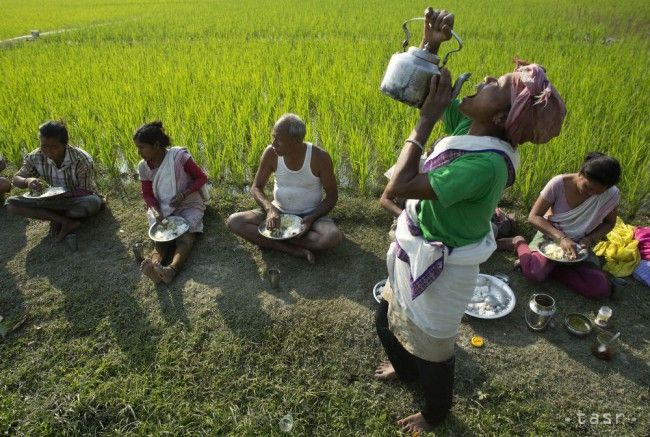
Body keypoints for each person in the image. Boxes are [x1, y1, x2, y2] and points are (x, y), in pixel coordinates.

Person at [373, 8, 567, 433]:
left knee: (434, 349)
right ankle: (403, 370)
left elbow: (402, 185)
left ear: (501, 118)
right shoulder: (472, 126)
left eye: (495, 87)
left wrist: (424, 122)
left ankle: (435, 412)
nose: (482, 81)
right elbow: (427, 91)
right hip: (415, 243)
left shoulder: (486, 165)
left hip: (441, 267)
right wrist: (432, 45)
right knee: (387, 317)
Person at [497, 152, 620, 299]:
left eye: (598, 192)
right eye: (587, 187)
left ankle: (547, 267)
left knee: (600, 289)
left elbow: (609, 223)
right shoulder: (558, 184)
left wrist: (590, 239)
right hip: (551, 235)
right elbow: (534, 217)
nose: (591, 194)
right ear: (581, 173)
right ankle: (518, 242)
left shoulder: (611, 195)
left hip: (579, 245)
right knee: (533, 274)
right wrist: (561, 238)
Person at [226, 113, 343, 264]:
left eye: (279, 140)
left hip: (311, 216)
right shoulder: (271, 153)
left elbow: (332, 195)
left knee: (332, 236)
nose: (273, 143)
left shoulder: (319, 157)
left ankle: (278, 239)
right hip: (278, 213)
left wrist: (311, 218)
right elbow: (256, 187)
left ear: (296, 141)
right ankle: (294, 249)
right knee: (235, 221)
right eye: (273, 137)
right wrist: (269, 210)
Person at [134, 121, 209, 284]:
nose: (138, 152)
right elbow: (147, 194)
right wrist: (155, 210)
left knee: (186, 237)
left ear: (155, 145)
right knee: (161, 240)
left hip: (187, 204)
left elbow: (202, 177)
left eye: (141, 147)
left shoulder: (178, 157)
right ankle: (154, 268)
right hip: (162, 208)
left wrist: (184, 194)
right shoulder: (143, 167)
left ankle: (171, 270)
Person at [6, 121, 102, 242]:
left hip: (76, 198)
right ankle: (64, 221)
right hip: (52, 200)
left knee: (92, 202)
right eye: (44, 146)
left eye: (54, 147)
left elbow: (85, 190)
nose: (48, 151)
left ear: (65, 144)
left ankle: (57, 217)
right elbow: (16, 179)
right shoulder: (36, 156)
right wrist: (28, 181)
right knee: (11, 205)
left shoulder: (81, 159)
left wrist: (57, 195)